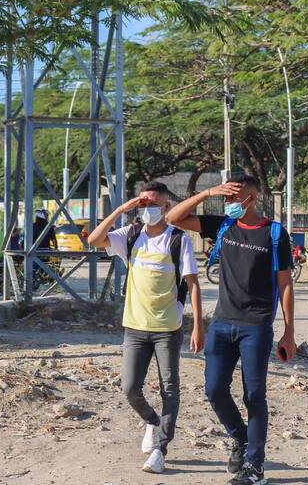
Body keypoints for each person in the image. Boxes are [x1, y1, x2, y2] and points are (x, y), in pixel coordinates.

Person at [166, 174, 295, 485]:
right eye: (226, 198)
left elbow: (285, 283)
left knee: (254, 395)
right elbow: (173, 217)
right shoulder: (223, 225)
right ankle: (241, 438)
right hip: (222, 324)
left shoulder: (275, 233)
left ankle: (255, 466)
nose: (229, 203)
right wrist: (207, 192)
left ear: (253, 198)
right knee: (214, 389)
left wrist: (289, 332)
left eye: (234, 198)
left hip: (256, 326)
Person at [86, 181, 204, 475]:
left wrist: (198, 327)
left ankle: (160, 450)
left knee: (170, 388)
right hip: (135, 327)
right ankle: (152, 421)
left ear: (165, 207)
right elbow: (95, 240)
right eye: (143, 203)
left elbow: (193, 284)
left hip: (167, 328)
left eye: (153, 204)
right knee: (129, 387)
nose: (148, 209)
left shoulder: (178, 240)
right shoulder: (131, 235)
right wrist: (121, 209)